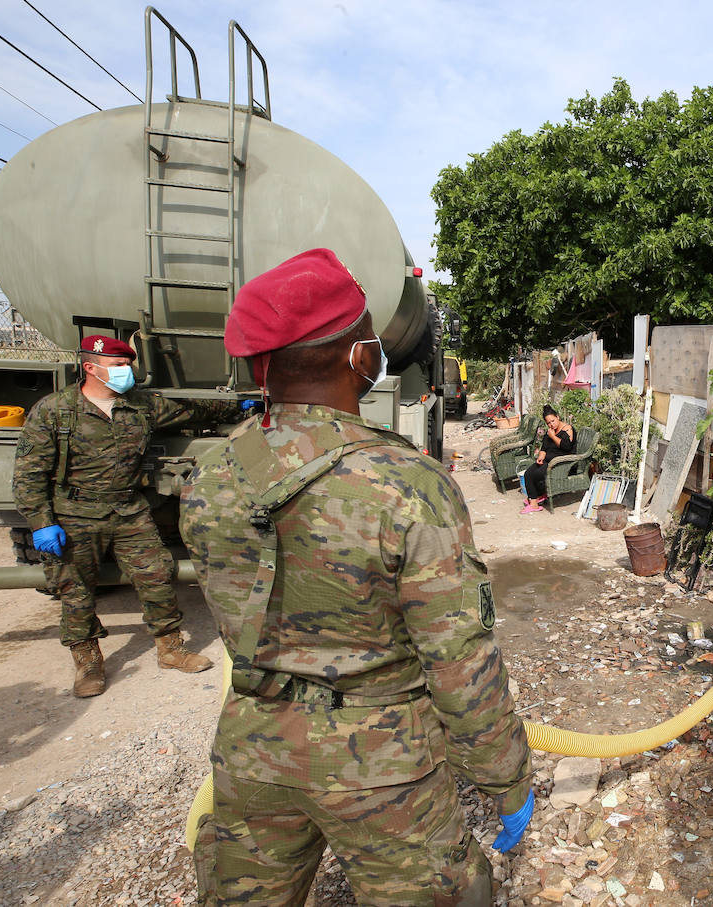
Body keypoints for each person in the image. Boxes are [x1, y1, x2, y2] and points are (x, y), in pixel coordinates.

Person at [182, 248, 532, 906]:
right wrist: (504, 775)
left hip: (252, 745)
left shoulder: (214, 470)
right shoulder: (408, 484)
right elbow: (459, 657)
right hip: (381, 760)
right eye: (368, 336)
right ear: (356, 357)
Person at [12, 334, 247, 697]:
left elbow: (194, 410)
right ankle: (88, 662)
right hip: (74, 512)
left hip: (127, 508)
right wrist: (42, 523)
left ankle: (170, 648)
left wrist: (239, 406)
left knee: (157, 574)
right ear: (90, 368)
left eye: (128, 364)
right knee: (75, 590)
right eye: (118, 366)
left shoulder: (139, 405)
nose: (127, 371)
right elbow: (28, 474)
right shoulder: (54, 410)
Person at [520, 404, 575, 514]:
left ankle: (534, 503)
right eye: (548, 423)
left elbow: (567, 447)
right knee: (528, 472)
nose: (551, 424)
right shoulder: (549, 431)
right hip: (548, 461)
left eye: (553, 421)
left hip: (561, 464)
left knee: (536, 475)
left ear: (558, 417)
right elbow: (544, 448)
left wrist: (553, 436)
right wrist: (541, 457)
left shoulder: (568, 429)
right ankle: (536, 497)